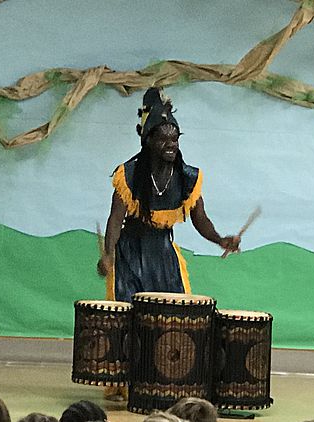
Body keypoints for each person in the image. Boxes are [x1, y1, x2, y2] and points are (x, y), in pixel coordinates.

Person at [98, 87, 240, 302]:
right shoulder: (128, 175)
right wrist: (109, 254)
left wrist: (219, 239)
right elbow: (116, 220)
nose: (171, 144)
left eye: (175, 139)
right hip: (130, 253)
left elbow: (199, 218)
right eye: (164, 139)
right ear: (149, 141)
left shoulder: (186, 178)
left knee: (172, 315)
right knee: (129, 316)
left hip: (164, 256)